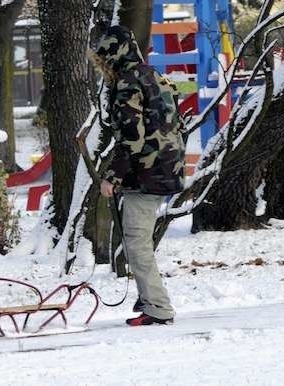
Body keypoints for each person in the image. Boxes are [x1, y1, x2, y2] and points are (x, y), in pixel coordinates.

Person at [90, 26, 185, 326]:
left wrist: (112, 177)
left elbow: (132, 137)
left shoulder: (127, 84)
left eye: (103, 59)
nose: (102, 66)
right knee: (138, 239)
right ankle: (148, 298)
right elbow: (174, 125)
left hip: (146, 173)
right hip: (166, 168)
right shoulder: (155, 75)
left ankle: (158, 308)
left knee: (136, 242)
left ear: (113, 54)